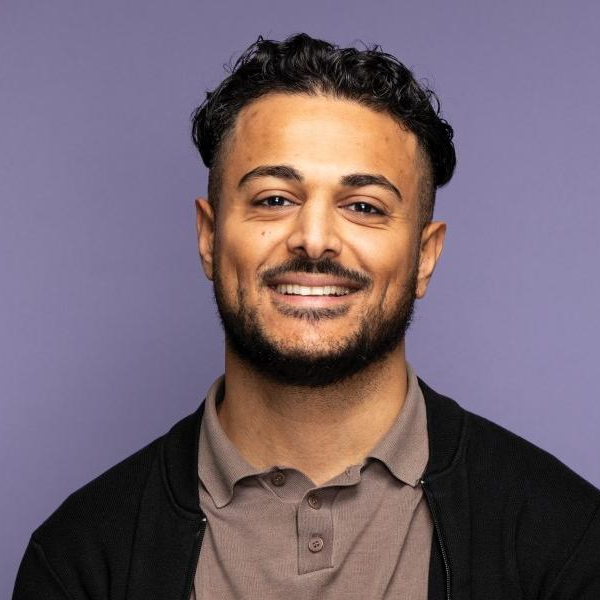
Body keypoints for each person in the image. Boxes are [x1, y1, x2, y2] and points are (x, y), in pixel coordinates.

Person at [13, 33, 600, 600]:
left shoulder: (569, 541)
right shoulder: (78, 560)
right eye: (274, 199)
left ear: (424, 257)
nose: (315, 239)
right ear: (209, 237)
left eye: (364, 206)